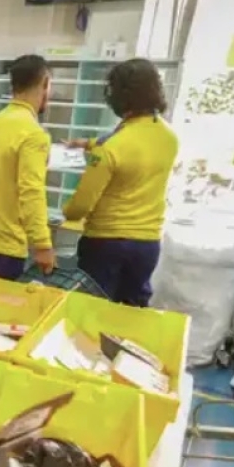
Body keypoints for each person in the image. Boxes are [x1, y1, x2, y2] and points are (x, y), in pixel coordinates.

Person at [61, 58, 179, 307]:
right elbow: (137, 148)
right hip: (147, 245)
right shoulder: (169, 137)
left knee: (93, 310)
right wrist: (89, 143)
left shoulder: (110, 149)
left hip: (106, 245)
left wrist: (66, 211)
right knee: (131, 313)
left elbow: (79, 208)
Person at [0, 55, 57, 279]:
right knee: (0, 312)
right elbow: (31, 190)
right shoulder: (34, 134)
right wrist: (43, 245)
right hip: (4, 246)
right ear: (45, 83)